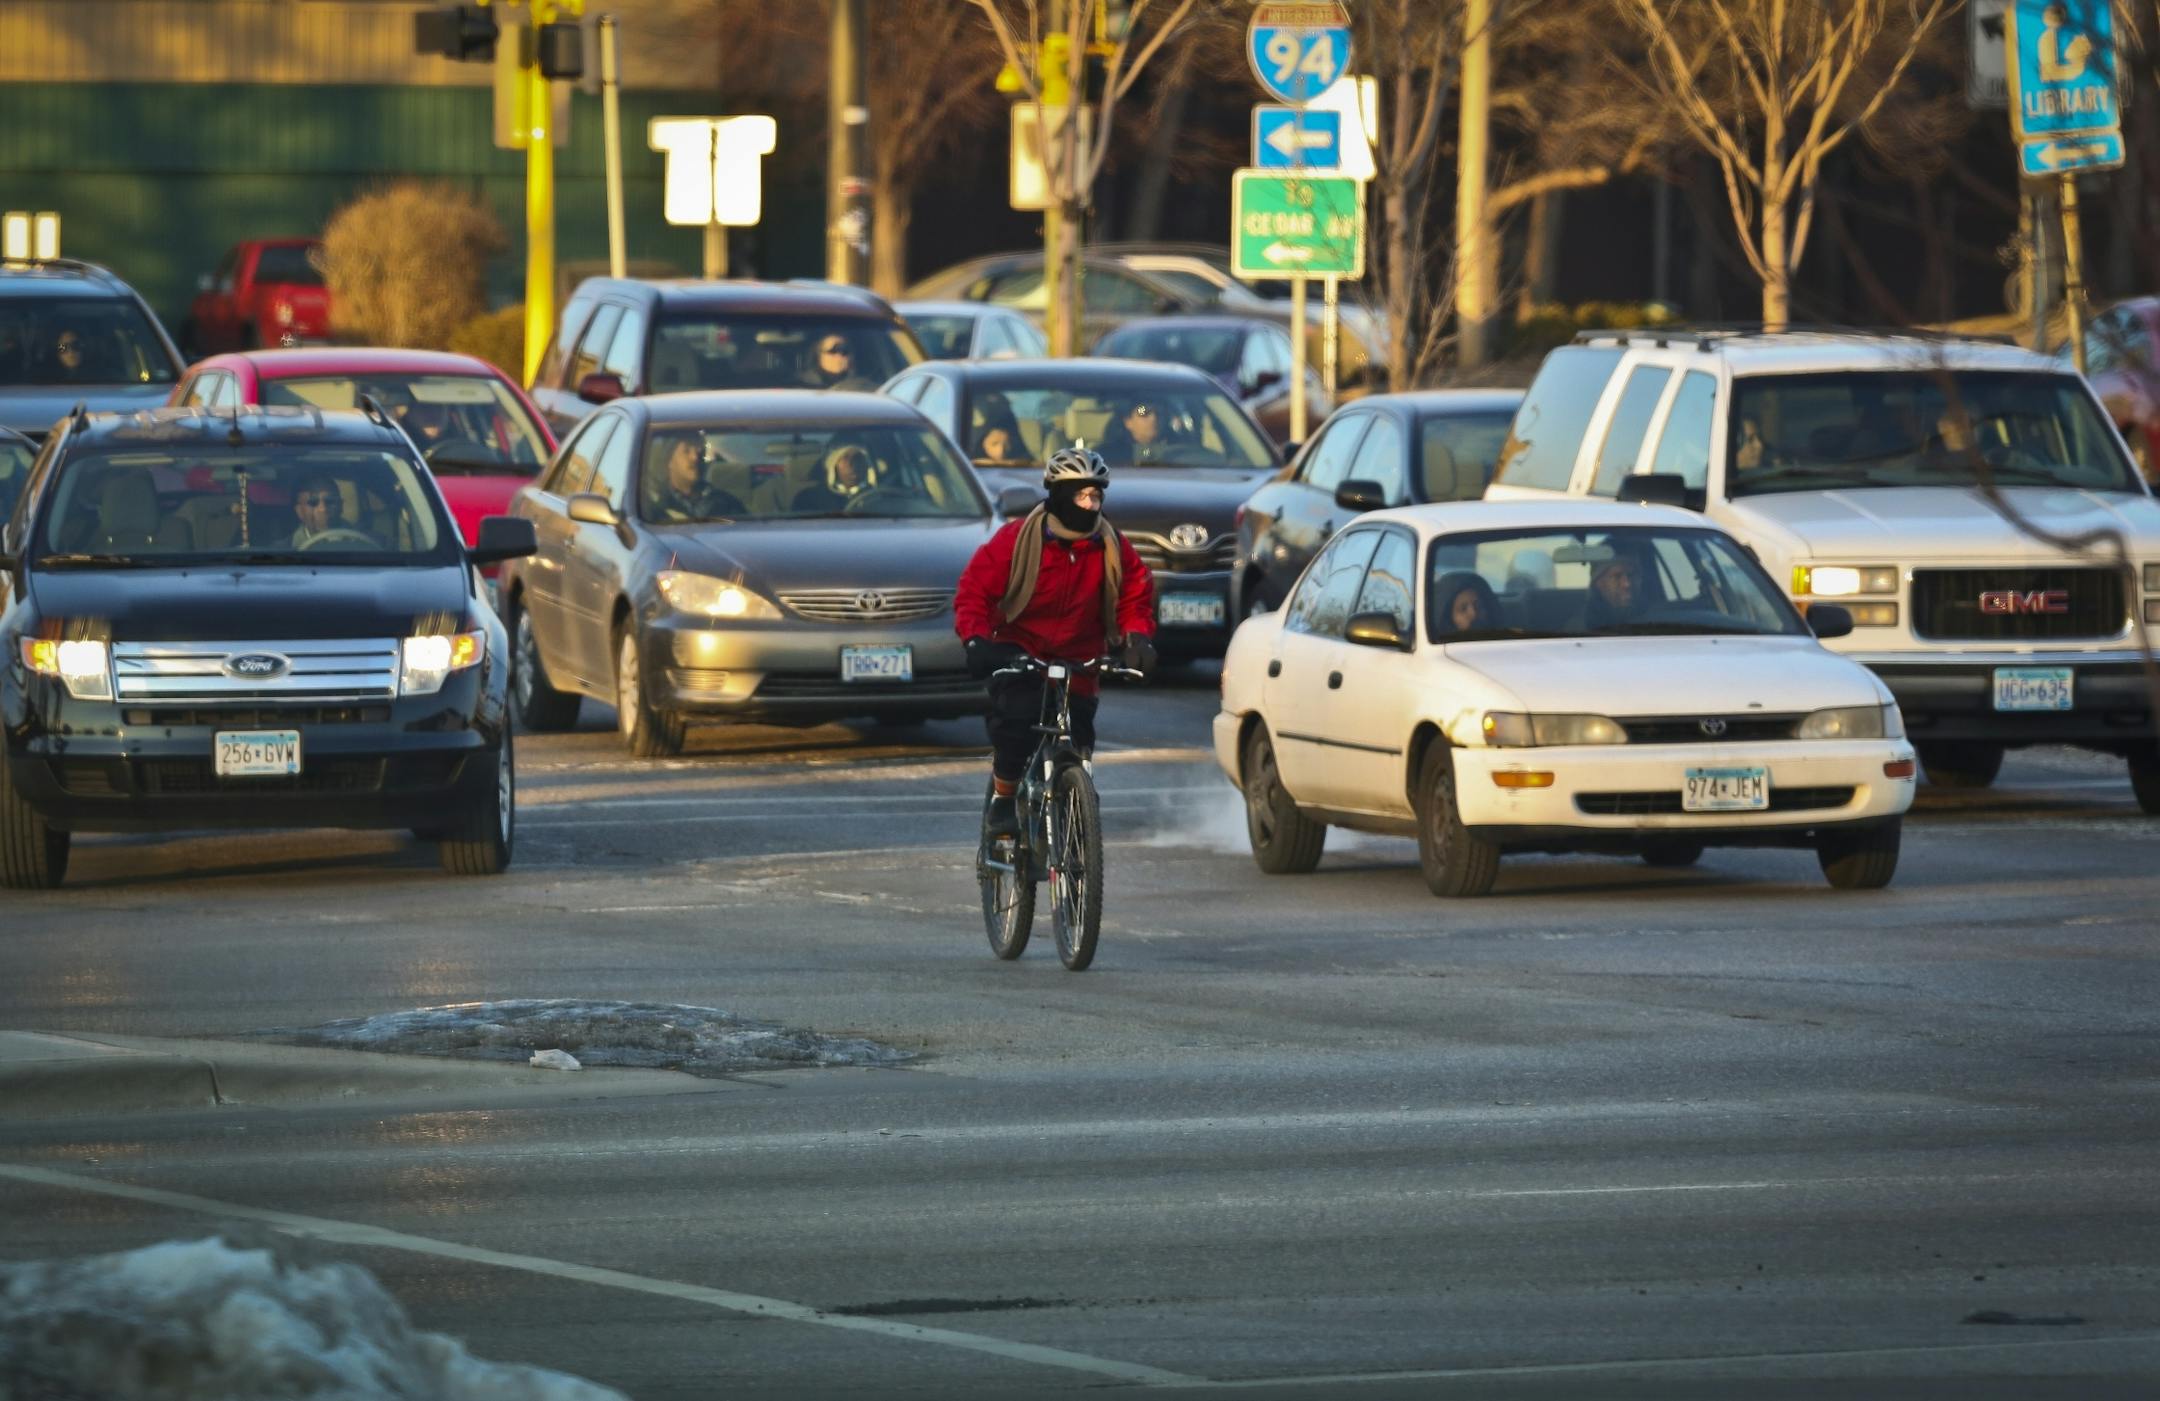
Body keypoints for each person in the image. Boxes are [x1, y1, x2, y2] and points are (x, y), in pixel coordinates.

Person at [954, 447, 1158, 839]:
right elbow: (974, 591)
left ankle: (1075, 814)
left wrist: (1138, 638)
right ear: (1059, 496)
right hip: (1019, 650)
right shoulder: (1017, 539)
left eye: (1096, 496)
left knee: (1079, 740)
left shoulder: (1110, 545)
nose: (1090, 504)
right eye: (1081, 495)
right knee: (1017, 723)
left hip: (1079, 655)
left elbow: (1135, 593)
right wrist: (977, 639)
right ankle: (1004, 797)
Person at [646, 436, 741, 522]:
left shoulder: (727, 504)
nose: (695, 457)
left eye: (700, 452)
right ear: (669, 461)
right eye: (686, 451)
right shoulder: (653, 507)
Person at [789, 442, 881, 513]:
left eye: (858, 457)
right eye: (845, 458)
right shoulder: (808, 499)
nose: (852, 465)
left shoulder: (881, 497)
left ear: (867, 464)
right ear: (833, 464)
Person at [289, 474, 369, 549]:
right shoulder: (284, 550)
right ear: (299, 512)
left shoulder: (368, 544)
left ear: (341, 506)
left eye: (330, 501)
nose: (323, 509)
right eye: (313, 503)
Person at [1585, 548, 1652, 628]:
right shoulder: (1579, 629)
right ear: (1599, 583)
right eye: (1617, 576)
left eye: (1631, 575)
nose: (1627, 584)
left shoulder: (1658, 619)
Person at [1433, 571, 1500, 636]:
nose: (1474, 613)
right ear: (1449, 618)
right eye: (1463, 609)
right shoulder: (1443, 645)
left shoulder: (1504, 640)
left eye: (1479, 606)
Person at [800, 333, 876, 391]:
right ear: (818, 356)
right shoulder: (800, 387)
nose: (840, 355)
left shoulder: (866, 387)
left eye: (845, 351)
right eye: (833, 350)